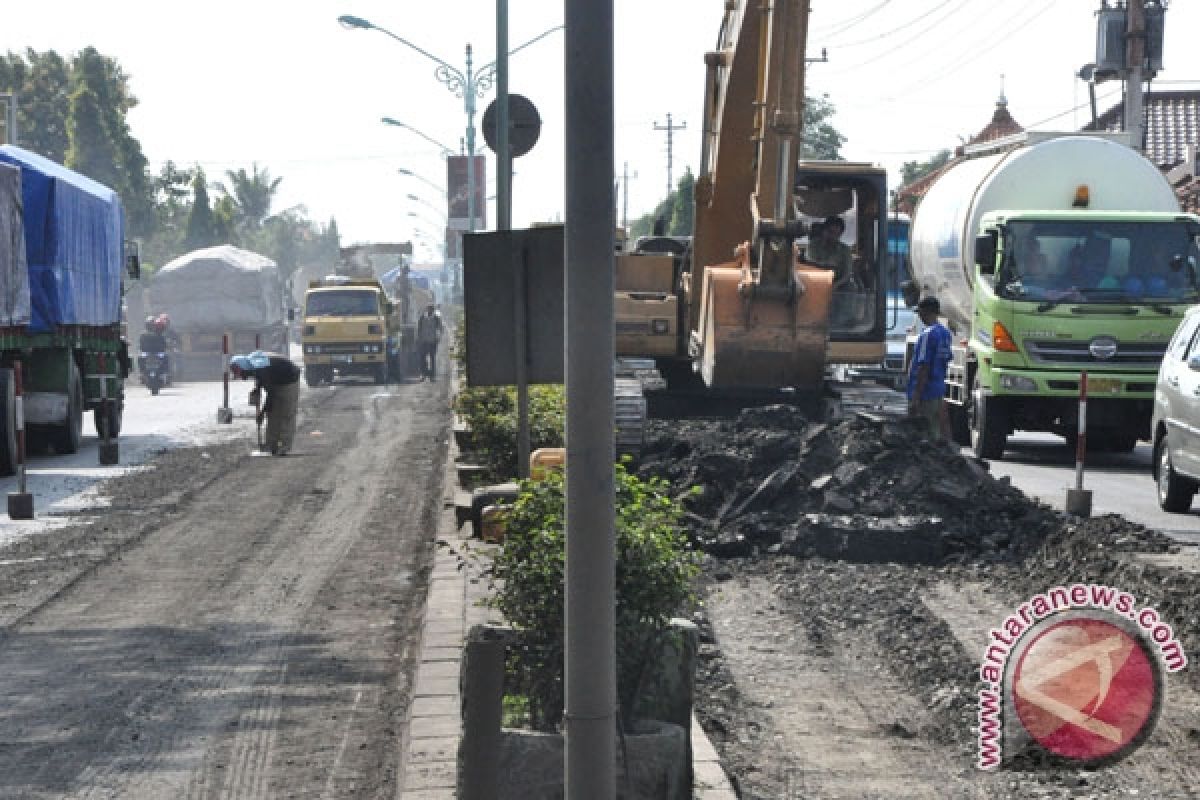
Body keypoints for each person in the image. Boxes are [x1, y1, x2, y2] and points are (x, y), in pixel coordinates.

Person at [229, 350, 301, 455]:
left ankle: (284, 447)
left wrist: (262, 412)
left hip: (289, 379)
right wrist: (256, 392)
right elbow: (261, 381)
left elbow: (270, 393)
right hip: (275, 380)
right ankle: (271, 445)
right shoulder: (252, 364)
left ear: (243, 367)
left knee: (287, 414)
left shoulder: (260, 367)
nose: (241, 376)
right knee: (272, 415)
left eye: (239, 372)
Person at [906, 295, 953, 442]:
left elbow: (923, 367)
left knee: (922, 437)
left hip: (925, 394)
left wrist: (916, 397)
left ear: (926, 312)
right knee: (937, 432)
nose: (919, 316)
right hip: (938, 391)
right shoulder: (945, 334)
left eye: (920, 312)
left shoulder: (927, 335)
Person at [806, 215, 855, 290]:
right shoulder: (813, 245)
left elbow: (847, 274)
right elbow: (810, 265)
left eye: (836, 234)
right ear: (824, 231)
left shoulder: (845, 250)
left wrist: (835, 285)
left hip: (837, 284)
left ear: (840, 234)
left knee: (850, 287)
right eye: (830, 232)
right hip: (814, 281)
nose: (832, 236)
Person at [416, 303, 444, 381]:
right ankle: (423, 374)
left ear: (433, 310)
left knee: (432, 358)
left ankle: (432, 376)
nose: (430, 310)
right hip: (423, 341)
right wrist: (418, 339)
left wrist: (438, 338)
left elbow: (440, 328)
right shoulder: (422, 317)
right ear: (427, 309)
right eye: (429, 309)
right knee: (423, 359)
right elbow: (419, 328)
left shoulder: (436, 318)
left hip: (432, 341)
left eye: (431, 309)